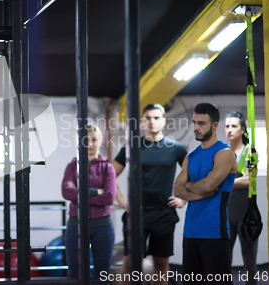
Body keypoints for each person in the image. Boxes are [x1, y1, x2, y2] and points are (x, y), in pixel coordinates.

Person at [112, 103, 188, 285]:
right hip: (136, 214)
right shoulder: (132, 147)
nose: (152, 122)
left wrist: (184, 199)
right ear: (143, 122)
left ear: (163, 121)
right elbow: (109, 174)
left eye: (156, 118)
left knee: (161, 264)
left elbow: (193, 173)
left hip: (164, 213)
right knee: (131, 263)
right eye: (148, 118)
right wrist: (122, 200)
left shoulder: (175, 148)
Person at [173, 103, 237, 284]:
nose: (196, 128)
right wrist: (198, 190)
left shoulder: (224, 153)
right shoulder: (190, 156)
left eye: (201, 123)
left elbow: (208, 186)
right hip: (191, 232)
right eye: (194, 122)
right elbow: (177, 190)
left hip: (214, 232)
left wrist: (190, 186)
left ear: (215, 125)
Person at [61, 124, 116, 282]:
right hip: (75, 225)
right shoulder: (72, 167)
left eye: (94, 139)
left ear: (100, 142)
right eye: (86, 140)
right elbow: (66, 192)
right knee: (75, 276)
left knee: (102, 277)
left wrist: (78, 192)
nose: (90, 144)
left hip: (102, 227)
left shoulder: (108, 168)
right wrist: (96, 191)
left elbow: (109, 197)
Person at [225, 111, 258, 284]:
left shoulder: (250, 152)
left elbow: (248, 181)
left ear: (243, 129)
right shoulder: (221, 153)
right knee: (223, 261)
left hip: (246, 214)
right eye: (227, 126)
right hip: (226, 213)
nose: (229, 130)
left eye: (234, 126)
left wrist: (223, 182)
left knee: (250, 263)